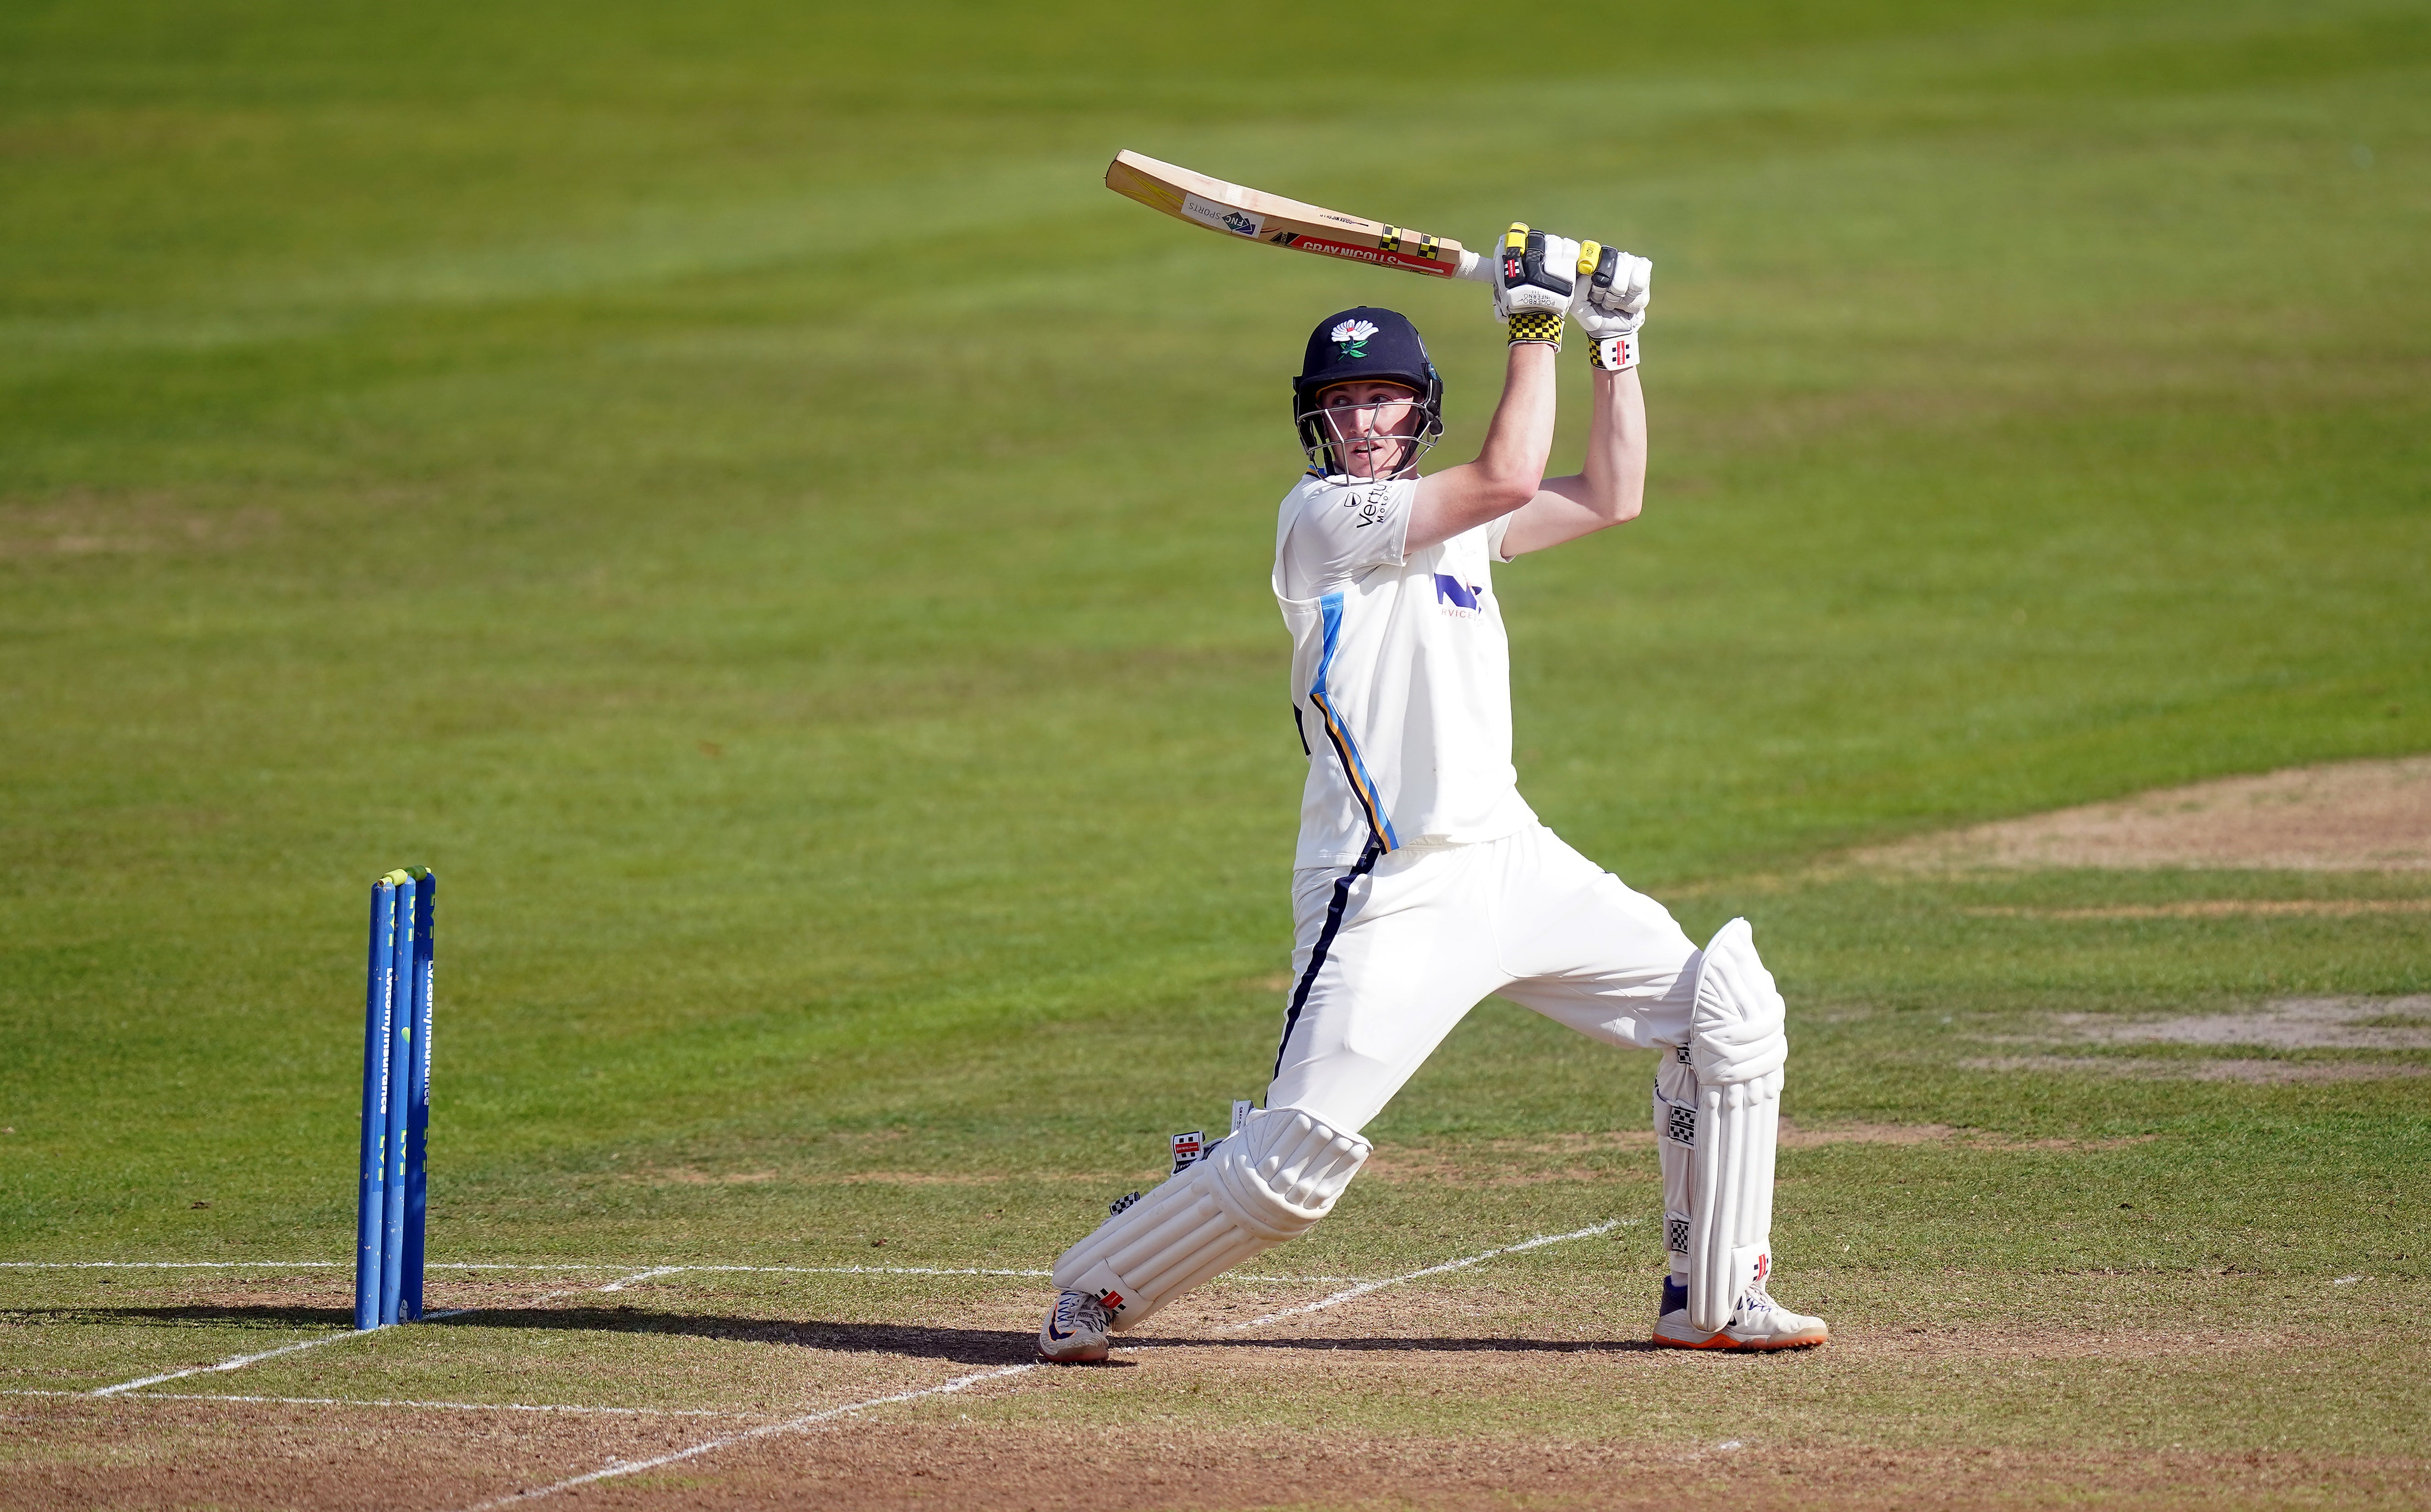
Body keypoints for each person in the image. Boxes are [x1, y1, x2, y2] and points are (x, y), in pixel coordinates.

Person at [1036, 226, 1828, 1362]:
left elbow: (1613, 494)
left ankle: (1714, 1297)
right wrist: (1535, 322)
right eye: (1344, 401)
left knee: (1730, 1014)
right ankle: (1098, 1279)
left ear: (1422, 412)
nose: (1363, 422)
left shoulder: (1464, 523)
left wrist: (1614, 341)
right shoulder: (1318, 522)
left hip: (1513, 858)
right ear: (1314, 418)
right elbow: (1508, 471)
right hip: (1388, 884)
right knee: (1293, 1168)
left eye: (1386, 401)